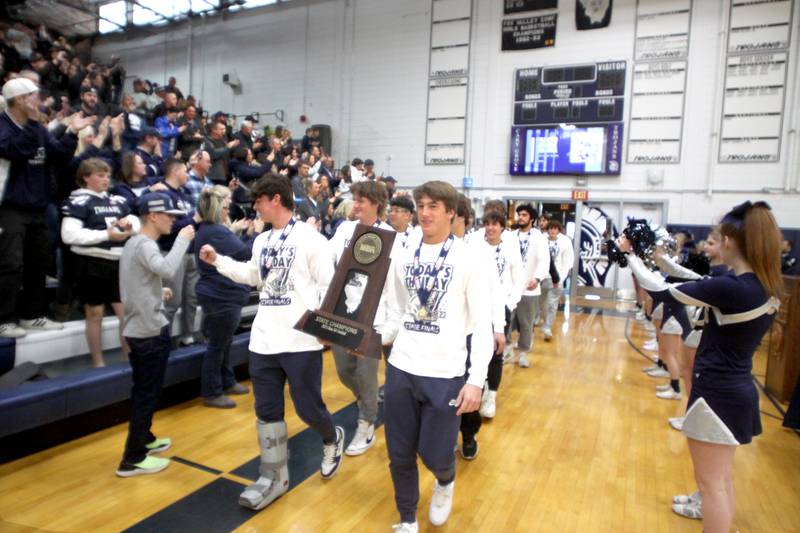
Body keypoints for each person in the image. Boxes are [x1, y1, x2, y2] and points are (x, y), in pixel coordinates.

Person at [621, 202, 782, 533]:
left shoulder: (733, 287)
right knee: (720, 481)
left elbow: (661, 291)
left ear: (730, 241)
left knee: (711, 485)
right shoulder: (756, 285)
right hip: (736, 389)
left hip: (716, 395)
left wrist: (629, 255)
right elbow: (696, 279)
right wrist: (658, 259)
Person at [199, 174, 344, 511]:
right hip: (264, 341)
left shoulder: (311, 239)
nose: (255, 207)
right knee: (266, 412)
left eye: (259, 201)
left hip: (300, 341)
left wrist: (326, 326)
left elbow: (330, 286)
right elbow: (254, 276)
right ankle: (274, 477)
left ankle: (330, 437)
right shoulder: (262, 240)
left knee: (308, 409)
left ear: (275, 199)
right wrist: (217, 261)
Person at [381, 181, 492, 532]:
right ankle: (407, 519)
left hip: (445, 373)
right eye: (421, 205)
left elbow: (482, 324)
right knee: (399, 454)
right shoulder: (403, 253)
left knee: (434, 453)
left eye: (433, 206)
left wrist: (475, 381)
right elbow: (397, 310)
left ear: (451, 213)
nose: (425, 213)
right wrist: (371, 340)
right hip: (401, 366)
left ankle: (445, 480)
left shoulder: (469, 257)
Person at [0, 77, 93, 338]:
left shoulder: (37, 128)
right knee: (10, 264)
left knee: (37, 263)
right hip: (9, 207)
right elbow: (17, 150)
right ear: (20, 100)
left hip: (38, 206)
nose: (38, 101)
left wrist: (73, 133)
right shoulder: (4, 127)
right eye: (33, 96)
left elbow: (60, 156)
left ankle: (32, 315)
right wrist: (32, 122)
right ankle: (3, 319)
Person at [116, 192, 196, 477]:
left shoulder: (135, 244)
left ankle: (145, 438)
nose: (173, 220)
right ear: (153, 216)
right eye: (169, 215)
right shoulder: (146, 245)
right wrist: (183, 240)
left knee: (144, 390)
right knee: (146, 395)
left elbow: (136, 279)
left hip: (142, 328)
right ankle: (132, 458)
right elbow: (166, 268)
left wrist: (155, 291)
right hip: (148, 331)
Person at [328, 180, 394, 456]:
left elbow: (393, 282)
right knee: (345, 371)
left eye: (360, 201)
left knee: (366, 373)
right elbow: (326, 256)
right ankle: (367, 403)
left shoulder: (391, 236)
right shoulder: (345, 229)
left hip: (372, 315)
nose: (355, 205)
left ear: (375, 203)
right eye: (355, 200)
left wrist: (389, 320)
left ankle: (367, 421)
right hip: (342, 311)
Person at [61, 158, 139, 367]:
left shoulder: (117, 201)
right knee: (95, 313)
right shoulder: (78, 202)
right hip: (91, 264)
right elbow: (69, 235)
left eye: (107, 175)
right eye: (100, 175)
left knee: (125, 313)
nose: (105, 180)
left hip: (118, 263)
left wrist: (130, 225)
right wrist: (105, 235)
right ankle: (98, 363)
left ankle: (128, 357)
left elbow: (137, 223)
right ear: (86, 177)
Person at [194, 188, 251, 408]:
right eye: (226, 207)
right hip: (220, 294)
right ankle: (211, 392)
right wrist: (253, 235)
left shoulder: (211, 230)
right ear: (218, 210)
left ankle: (227, 381)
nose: (228, 210)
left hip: (221, 293)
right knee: (217, 345)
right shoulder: (216, 231)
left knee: (224, 343)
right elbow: (245, 252)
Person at [157, 158, 199, 346]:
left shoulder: (185, 194)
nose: (188, 175)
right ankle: (163, 339)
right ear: (175, 171)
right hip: (172, 251)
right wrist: (194, 219)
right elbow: (169, 226)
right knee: (171, 301)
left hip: (191, 250)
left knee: (191, 298)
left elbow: (188, 220)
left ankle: (188, 335)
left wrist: (192, 220)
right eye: (185, 171)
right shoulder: (162, 193)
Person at [507, 203, 549, 367]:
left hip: (530, 289)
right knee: (507, 321)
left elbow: (544, 260)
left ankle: (523, 352)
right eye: (519, 215)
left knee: (526, 324)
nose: (521, 218)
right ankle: (507, 348)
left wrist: (537, 278)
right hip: (511, 289)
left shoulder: (539, 237)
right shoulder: (510, 236)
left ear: (531, 218)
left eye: (524, 215)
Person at [539, 220, 574, 341]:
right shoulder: (541, 239)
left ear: (559, 230)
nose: (552, 231)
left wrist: (561, 278)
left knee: (552, 304)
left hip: (557, 278)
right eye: (550, 228)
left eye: (555, 229)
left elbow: (568, 262)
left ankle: (547, 327)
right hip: (542, 278)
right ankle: (543, 320)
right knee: (541, 303)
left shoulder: (565, 242)